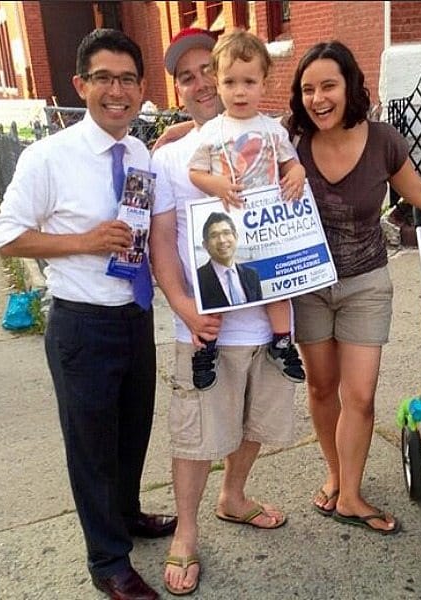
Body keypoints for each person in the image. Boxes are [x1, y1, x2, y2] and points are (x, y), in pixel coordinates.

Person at [286, 41, 421, 533]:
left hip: (365, 281)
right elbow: (234, 148)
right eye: (307, 89)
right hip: (307, 284)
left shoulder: (384, 139)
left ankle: (350, 494)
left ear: (350, 86)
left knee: (360, 394)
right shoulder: (291, 140)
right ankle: (334, 474)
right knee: (322, 388)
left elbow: (420, 192)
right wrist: (179, 134)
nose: (318, 98)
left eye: (328, 86)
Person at [0, 29, 176, 600]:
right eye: (103, 78)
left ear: (142, 88)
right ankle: (108, 561)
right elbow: (7, 238)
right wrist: (86, 240)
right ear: (80, 85)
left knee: (130, 433)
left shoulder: (142, 152)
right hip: (82, 323)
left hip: (134, 315)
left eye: (127, 79)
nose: (116, 90)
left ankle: (124, 516)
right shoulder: (49, 156)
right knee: (92, 446)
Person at [149, 28, 296, 596]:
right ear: (181, 88)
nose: (202, 83)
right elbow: (162, 242)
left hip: (269, 317)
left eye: (206, 70)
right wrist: (185, 309)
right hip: (204, 323)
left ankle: (233, 496)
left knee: (256, 422)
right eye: (186, 76)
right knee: (194, 433)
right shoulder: (171, 156)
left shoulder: (270, 134)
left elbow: (293, 213)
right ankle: (185, 532)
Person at [187, 29, 306, 391]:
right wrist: (217, 185)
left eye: (249, 82)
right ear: (217, 83)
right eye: (230, 82)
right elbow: (195, 172)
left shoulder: (273, 130)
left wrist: (297, 173)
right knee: (218, 288)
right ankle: (207, 346)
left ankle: (282, 342)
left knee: (276, 286)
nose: (240, 91)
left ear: (264, 84)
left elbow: (291, 164)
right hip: (229, 220)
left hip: (267, 223)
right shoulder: (212, 131)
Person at [197, 211, 263, 310]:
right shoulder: (198, 279)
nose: (222, 240)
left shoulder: (252, 275)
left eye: (226, 233)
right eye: (214, 235)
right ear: (205, 245)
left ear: (236, 237)